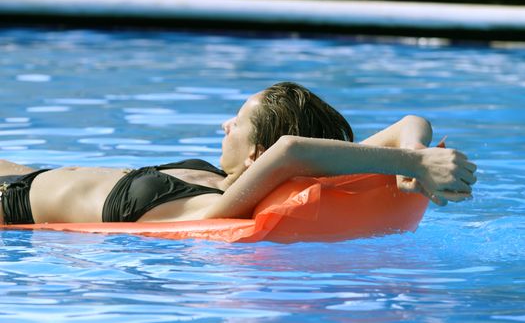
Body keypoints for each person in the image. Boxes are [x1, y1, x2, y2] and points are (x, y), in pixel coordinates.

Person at [0, 82, 476, 225]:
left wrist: (410, 165)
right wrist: (415, 151)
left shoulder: (223, 206)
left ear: (256, 154)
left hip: (12, 207)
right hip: (30, 175)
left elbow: (291, 152)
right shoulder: (217, 178)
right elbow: (410, 121)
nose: (224, 126)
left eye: (237, 122)